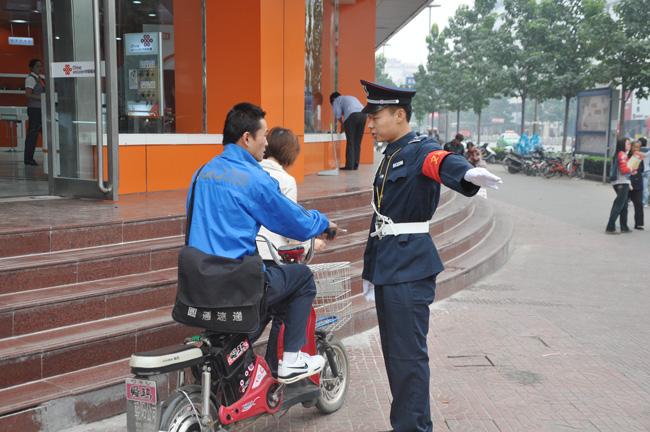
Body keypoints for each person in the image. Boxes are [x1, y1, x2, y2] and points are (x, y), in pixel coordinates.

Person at [358, 80, 502, 432]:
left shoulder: (421, 149)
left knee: (408, 358)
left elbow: (440, 162)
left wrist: (466, 173)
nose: (370, 124)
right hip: (390, 266)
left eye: (376, 116)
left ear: (399, 115)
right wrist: (370, 270)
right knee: (396, 358)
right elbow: (381, 218)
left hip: (408, 268)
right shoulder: (390, 154)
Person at [186, 102, 337, 384]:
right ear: (247, 138)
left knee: (267, 286)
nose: (266, 143)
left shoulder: (201, 173)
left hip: (197, 284)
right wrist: (323, 222)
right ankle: (291, 361)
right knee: (302, 278)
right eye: (263, 136)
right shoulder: (253, 178)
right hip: (236, 284)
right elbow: (292, 221)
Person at [330, 91, 366, 170]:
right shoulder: (350, 97)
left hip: (352, 115)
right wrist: (344, 126)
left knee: (350, 142)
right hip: (363, 115)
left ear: (333, 99)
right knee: (357, 142)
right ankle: (355, 165)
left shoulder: (336, 100)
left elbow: (338, 114)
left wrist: (342, 125)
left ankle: (349, 166)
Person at [606, 138, 633, 234]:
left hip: (620, 182)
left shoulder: (619, 154)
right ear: (622, 145)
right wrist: (632, 168)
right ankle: (610, 227)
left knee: (624, 205)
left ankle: (624, 227)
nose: (630, 145)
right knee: (619, 205)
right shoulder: (622, 154)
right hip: (622, 182)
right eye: (628, 143)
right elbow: (624, 170)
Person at [24, 59, 45, 166]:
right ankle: (28, 158)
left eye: (40, 66)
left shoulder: (40, 78)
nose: (40, 68)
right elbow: (28, 94)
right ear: (31, 68)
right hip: (35, 109)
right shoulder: (30, 79)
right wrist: (42, 98)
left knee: (38, 133)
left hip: (41, 109)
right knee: (33, 134)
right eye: (37, 66)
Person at [629, 140, 645, 230]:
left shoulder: (640, 157)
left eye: (638, 147)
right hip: (627, 183)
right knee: (622, 204)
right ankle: (620, 222)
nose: (636, 149)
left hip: (638, 183)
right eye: (634, 147)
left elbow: (642, 169)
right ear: (631, 147)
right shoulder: (626, 156)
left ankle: (639, 223)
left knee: (638, 203)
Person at [639, 137, 649, 207]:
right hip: (647, 170)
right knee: (645, 187)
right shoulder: (649, 150)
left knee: (638, 187)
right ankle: (645, 202)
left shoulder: (638, 150)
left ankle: (631, 199)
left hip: (640, 170)